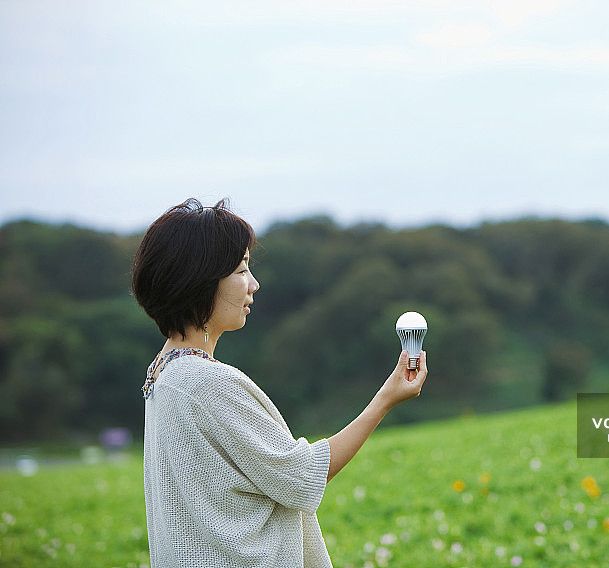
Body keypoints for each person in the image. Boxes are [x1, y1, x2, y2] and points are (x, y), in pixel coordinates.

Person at [131, 198, 428, 568]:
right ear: (199, 282)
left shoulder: (164, 372)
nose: (253, 284)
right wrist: (385, 400)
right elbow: (302, 476)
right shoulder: (206, 384)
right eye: (241, 270)